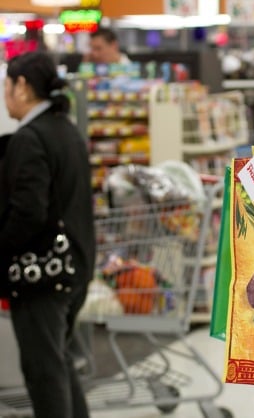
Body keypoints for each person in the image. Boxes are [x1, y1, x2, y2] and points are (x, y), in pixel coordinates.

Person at [0, 51, 95, 418]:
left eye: (7, 85)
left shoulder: (30, 138)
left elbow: (28, 213)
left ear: (22, 86)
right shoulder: (66, 130)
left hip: (42, 275)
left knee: (44, 371)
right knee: (59, 361)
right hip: (74, 266)